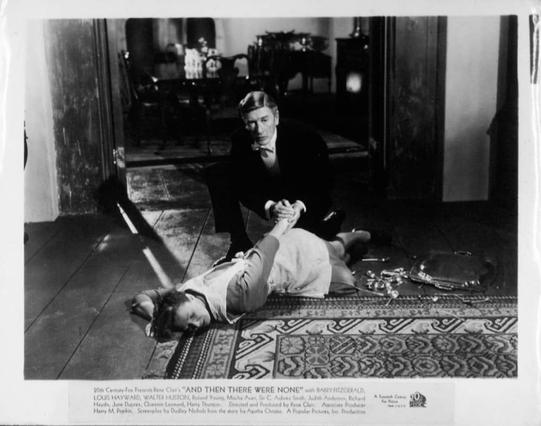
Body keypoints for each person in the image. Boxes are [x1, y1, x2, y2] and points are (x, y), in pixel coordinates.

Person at [130, 218, 376, 340]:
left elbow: (264, 252)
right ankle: (347, 240)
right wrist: (155, 318)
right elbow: (140, 298)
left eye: (192, 316)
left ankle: (345, 245)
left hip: (297, 258)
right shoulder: (186, 291)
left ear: (187, 300)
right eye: (187, 327)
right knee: (334, 250)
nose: (195, 325)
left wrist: (281, 224)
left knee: (347, 282)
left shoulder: (239, 297)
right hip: (290, 242)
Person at [206, 91, 343, 264]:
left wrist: (300, 206)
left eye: (264, 120)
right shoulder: (240, 140)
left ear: (276, 117)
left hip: (303, 194)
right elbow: (243, 186)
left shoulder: (304, 136)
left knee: (302, 251)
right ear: (244, 122)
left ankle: (324, 226)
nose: (259, 129)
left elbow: (324, 181)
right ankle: (238, 241)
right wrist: (271, 207)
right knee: (217, 173)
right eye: (251, 123)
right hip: (271, 191)